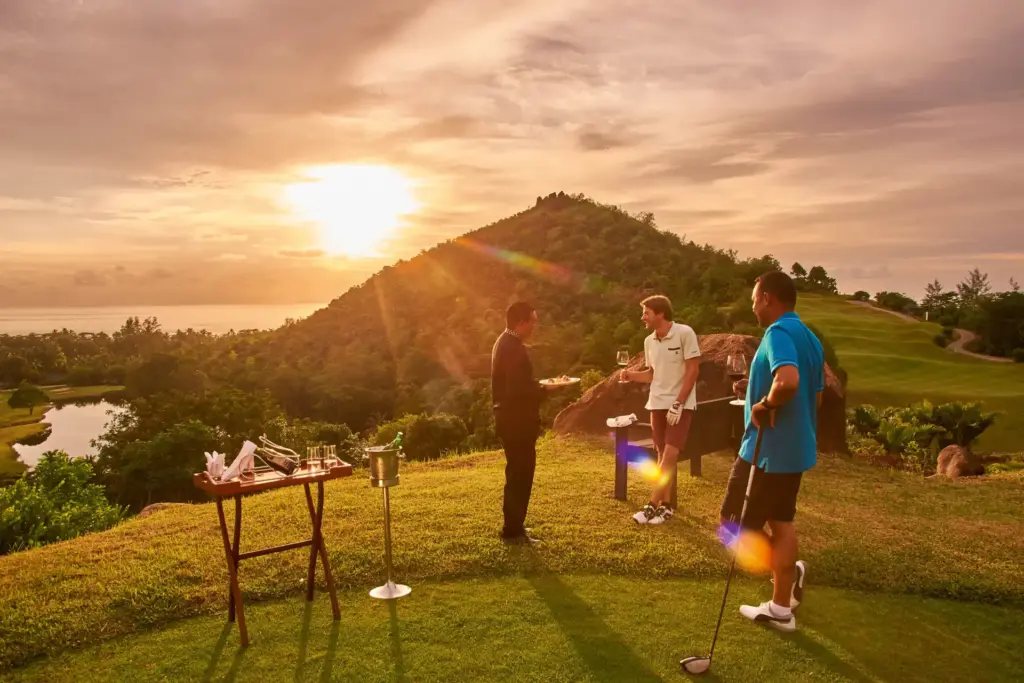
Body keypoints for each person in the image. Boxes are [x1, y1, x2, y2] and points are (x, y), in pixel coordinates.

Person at [722, 270, 824, 633]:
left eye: (754, 298)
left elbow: (789, 381)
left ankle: (786, 573)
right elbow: (817, 395)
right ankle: (782, 603)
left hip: (765, 451)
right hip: (794, 450)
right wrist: (755, 387)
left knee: (732, 525)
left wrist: (763, 404)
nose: (752, 305)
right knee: (781, 521)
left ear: (767, 297)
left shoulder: (777, 332)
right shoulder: (809, 337)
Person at [620, 295, 701, 525]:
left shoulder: (685, 333)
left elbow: (693, 371)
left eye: (646, 313)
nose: (643, 317)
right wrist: (630, 375)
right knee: (661, 454)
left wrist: (679, 402)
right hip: (657, 403)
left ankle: (650, 505)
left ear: (660, 314)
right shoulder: (649, 341)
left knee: (671, 453)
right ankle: (666, 507)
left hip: (680, 404)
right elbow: (651, 373)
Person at [490, 301, 563, 544]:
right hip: (516, 422)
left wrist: (538, 385)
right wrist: (547, 389)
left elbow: (518, 383)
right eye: (533, 320)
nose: (535, 325)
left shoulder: (506, 341)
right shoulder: (513, 348)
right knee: (520, 474)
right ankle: (512, 531)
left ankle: (514, 526)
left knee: (516, 473)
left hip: (509, 420)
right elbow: (518, 390)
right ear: (520, 322)